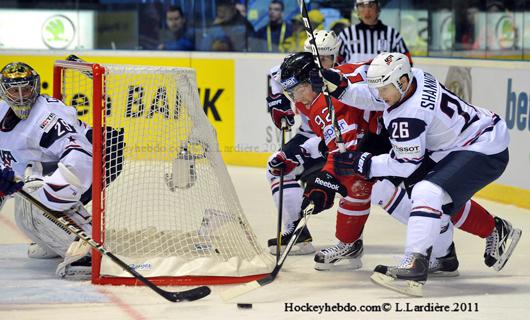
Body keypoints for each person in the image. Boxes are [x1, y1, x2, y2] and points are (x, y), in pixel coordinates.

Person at [330, 52, 522, 296]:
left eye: (383, 88)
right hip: (462, 140)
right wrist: (340, 89)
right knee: (426, 198)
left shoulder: (409, 116)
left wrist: (363, 163)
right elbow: (377, 98)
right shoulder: (416, 77)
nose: (380, 94)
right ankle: (444, 257)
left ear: (401, 82)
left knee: (426, 191)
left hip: (483, 146)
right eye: (377, 87)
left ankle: (415, 261)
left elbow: (405, 164)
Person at [0, 62, 94, 279]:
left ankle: (86, 247)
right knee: (26, 213)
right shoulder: (2, 113)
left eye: (27, 89)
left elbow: (80, 151)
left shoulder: (46, 115)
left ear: (36, 87)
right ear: (4, 91)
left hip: (98, 157)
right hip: (50, 164)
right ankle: (53, 238)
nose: (22, 96)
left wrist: (55, 194)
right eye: (15, 90)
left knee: (36, 195)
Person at [265, 30, 341, 258]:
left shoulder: (339, 78)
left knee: (364, 186)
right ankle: (298, 233)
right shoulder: (301, 68)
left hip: (336, 139)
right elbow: (275, 75)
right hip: (308, 135)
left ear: (336, 55)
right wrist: (277, 102)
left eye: (326, 58)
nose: (321, 63)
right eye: (316, 57)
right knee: (276, 168)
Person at [337, 0, 411, 64]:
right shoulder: (346, 35)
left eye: (371, 5)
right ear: (357, 10)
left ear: (378, 9)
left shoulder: (393, 35)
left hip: (384, 80)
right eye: (362, 6)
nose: (366, 11)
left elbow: (407, 62)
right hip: (353, 80)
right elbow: (335, 63)